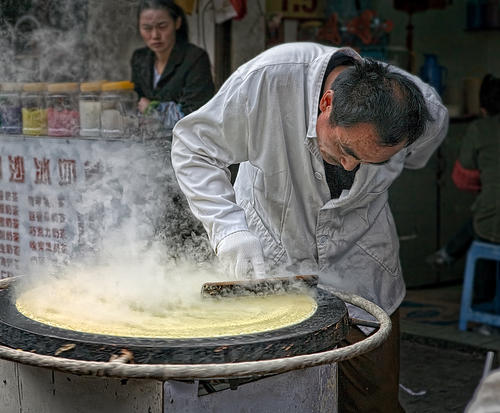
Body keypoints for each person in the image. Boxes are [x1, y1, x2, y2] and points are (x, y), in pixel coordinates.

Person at [171, 42, 448, 412]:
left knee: (372, 399)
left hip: (361, 259)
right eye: (346, 150)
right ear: (326, 104)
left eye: (369, 161)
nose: (350, 167)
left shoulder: (428, 117)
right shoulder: (268, 80)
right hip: (271, 252)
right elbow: (193, 147)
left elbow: (416, 156)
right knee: (273, 390)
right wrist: (228, 229)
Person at [428, 74, 500, 268]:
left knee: (486, 214)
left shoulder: (479, 129)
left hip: (490, 224)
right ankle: (448, 253)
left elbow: (462, 179)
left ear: (483, 109)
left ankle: (449, 254)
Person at [131, 0, 215, 129]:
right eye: (147, 28)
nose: (155, 35)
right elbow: (136, 101)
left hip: (186, 142)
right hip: (149, 141)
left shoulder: (195, 58)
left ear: (177, 23)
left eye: (162, 26)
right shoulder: (139, 58)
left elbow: (195, 114)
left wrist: (154, 109)